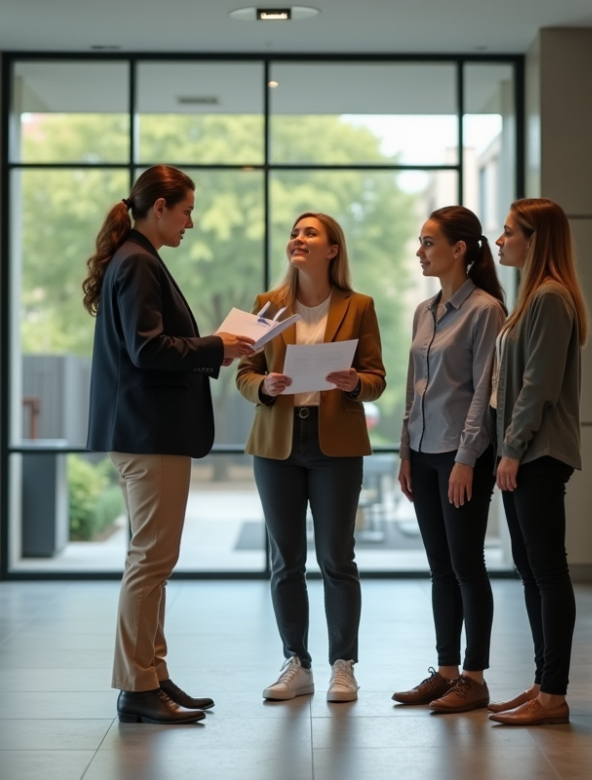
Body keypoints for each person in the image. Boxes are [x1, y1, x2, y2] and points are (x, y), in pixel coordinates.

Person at [84, 165, 255, 724]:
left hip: (145, 429)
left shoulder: (135, 258)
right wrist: (216, 346)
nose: (191, 222)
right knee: (150, 561)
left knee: (153, 559)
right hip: (147, 431)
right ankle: (138, 686)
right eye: (185, 211)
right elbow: (146, 349)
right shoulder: (137, 261)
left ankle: (153, 675)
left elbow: (148, 346)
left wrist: (216, 349)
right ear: (158, 207)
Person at [236, 212, 386, 703]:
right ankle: (296, 662)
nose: (298, 239)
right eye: (295, 233)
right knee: (286, 561)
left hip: (335, 445)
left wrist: (355, 384)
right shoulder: (267, 306)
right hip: (277, 442)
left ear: (332, 250)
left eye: (310, 233)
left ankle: (343, 665)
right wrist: (264, 385)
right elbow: (244, 372)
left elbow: (376, 375)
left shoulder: (358, 305)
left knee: (337, 558)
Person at [392, 206, 505, 713]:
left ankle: (475, 678)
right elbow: (414, 389)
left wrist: (465, 459)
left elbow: (485, 391)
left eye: (428, 243)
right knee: (440, 568)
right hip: (423, 450)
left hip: (463, 458)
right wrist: (404, 452)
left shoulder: (485, 310)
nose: (420, 251)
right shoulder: (424, 310)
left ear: (459, 249)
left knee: (466, 565)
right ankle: (445, 671)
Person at [486, 198, 590, 726]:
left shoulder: (550, 298)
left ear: (535, 238)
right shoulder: (533, 298)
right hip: (526, 452)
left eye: (508, 232)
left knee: (547, 572)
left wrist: (511, 449)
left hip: (538, 453)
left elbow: (537, 387)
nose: (499, 241)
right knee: (531, 571)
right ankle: (541, 683)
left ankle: (554, 693)